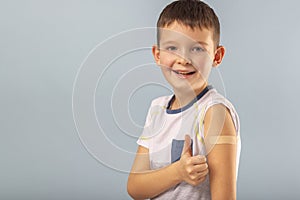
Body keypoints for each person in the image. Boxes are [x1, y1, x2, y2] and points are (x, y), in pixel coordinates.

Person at [127, 0, 241, 199]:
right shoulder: (157, 108)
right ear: (157, 54)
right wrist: (177, 172)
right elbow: (135, 187)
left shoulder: (214, 113)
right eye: (172, 48)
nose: (183, 59)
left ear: (217, 56)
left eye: (197, 49)